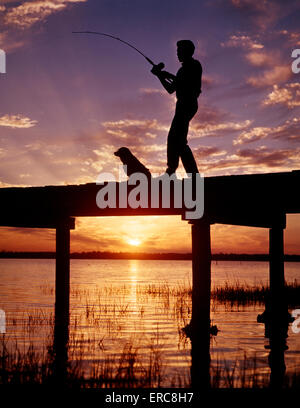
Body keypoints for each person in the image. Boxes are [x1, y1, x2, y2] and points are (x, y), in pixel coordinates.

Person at [151, 40, 202, 176]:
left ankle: (176, 171)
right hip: (181, 105)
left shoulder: (195, 65)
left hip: (188, 104)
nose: (178, 54)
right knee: (175, 139)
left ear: (188, 52)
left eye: (180, 51)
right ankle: (174, 170)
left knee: (177, 139)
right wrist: (160, 76)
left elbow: (184, 83)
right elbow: (170, 89)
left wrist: (164, 75)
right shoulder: (181, 70)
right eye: (177, 51)